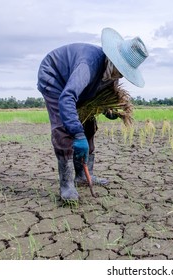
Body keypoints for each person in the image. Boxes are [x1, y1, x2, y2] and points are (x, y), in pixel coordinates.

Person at [37, 27, 148, 202]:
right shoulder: (88, 65)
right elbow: (67, 98)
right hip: (54, 76)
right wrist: (77, 133)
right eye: (119, 69)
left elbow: (95, 96)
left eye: (123, 72)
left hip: (74, 86)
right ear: (112, 58)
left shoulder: (113, 74)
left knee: (89, 124)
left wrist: (107, 110)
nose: (119, 75)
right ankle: (66, 185)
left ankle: (83, 175)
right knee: (64, 128)